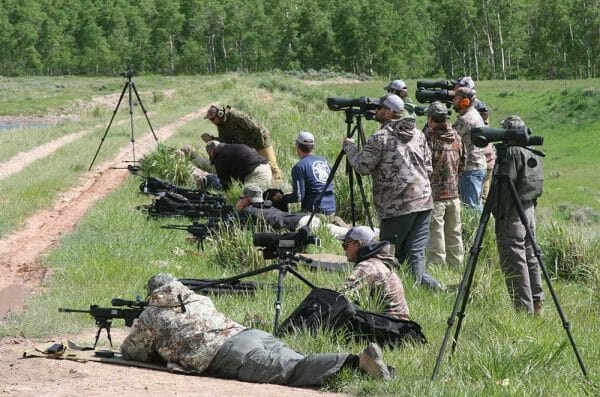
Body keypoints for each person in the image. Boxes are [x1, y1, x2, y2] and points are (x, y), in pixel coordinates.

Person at [121, 273, 393, 386]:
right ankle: (378, 369)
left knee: (292, 370)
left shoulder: (152, 314)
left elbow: (134, 352)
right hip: (249, 334)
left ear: (152, 294)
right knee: (294, 358)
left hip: (230, 353)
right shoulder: (198, 298)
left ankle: (355, 362)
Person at [342, 93, 444, 290]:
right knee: (415, 255)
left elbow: (363, 167)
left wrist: (350, 148)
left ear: (389, 112)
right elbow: (428, 167)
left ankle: (385, 290)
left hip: (396, 206)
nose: (375, 111)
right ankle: (427, 290)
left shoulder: (381, 137)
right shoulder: (418, 134)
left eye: (379, 108)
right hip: (424, 201)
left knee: (386, 253)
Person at [492, 115, 544, 315]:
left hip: (512, 212)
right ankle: (537, 302)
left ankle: (523, 310)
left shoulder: (512, 153)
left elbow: (504, 188)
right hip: (529, 208)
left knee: (514, 260)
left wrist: (498, 213)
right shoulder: (531, 151)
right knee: (530, 257)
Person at [425, 102, 466, 267]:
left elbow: (424, 165)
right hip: (454, 193)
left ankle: (437, 265)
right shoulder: (457, 137)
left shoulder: (430, 139)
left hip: (435, 195)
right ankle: (456, 263)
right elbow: (463, 162)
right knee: (455, 231)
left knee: (436, 232)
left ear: (431, 119)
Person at [339, 226, 410, 320]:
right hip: (397, 325)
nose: (344, 249)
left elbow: (339, 297)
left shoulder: (368, 266)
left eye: (345, 245)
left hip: (385, 326)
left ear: (358, 244)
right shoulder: (382, 262)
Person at [236, 184, 350, 239]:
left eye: (241, 199)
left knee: (341, 235)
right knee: (344, 233)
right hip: (304, 218)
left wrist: (240, 209)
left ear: (246, 199)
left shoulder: (248, 211)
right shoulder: (267, 205)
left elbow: (238, 226)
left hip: (300, 225)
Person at [203, 105, 283, 181]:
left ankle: (280, 188)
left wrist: (260, 146)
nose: (212, 122)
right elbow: (226, 142)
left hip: (260, 143)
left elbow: (255, 128)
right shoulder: (221, 125)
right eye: (210, 120)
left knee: (272, 167)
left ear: (220, 114)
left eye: (213, 119)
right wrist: (213, 139)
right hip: (248, 147)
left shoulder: (235, 116)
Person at [271, 131, 336, 215]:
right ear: (313, 147)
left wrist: (281, 198)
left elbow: (298, 197)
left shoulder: (299, 167)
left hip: (313, 213)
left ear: (297, 145)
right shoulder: (324, 161)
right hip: (332, 210)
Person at [451, 86, 486, 211]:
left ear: (465, 101)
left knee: (470, 207)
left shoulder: (467, 119)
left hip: (470, 168)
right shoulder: (474, 114)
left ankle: (476, 230)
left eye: (456, 98)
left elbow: (449, 136)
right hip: (475, 167)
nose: (453, 100)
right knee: (475, 204)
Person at [206, 141, 272, 190]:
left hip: (256, 174)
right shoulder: (235, 146)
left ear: (211, 153)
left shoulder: (219, 157)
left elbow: (227, 185)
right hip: (266, 169)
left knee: (246, 203)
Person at [474, 100, 496, 203]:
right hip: (489, 163)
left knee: (478, 196)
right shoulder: (485, 123)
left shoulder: (479, 126)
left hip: (483, 163)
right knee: (484, 195)